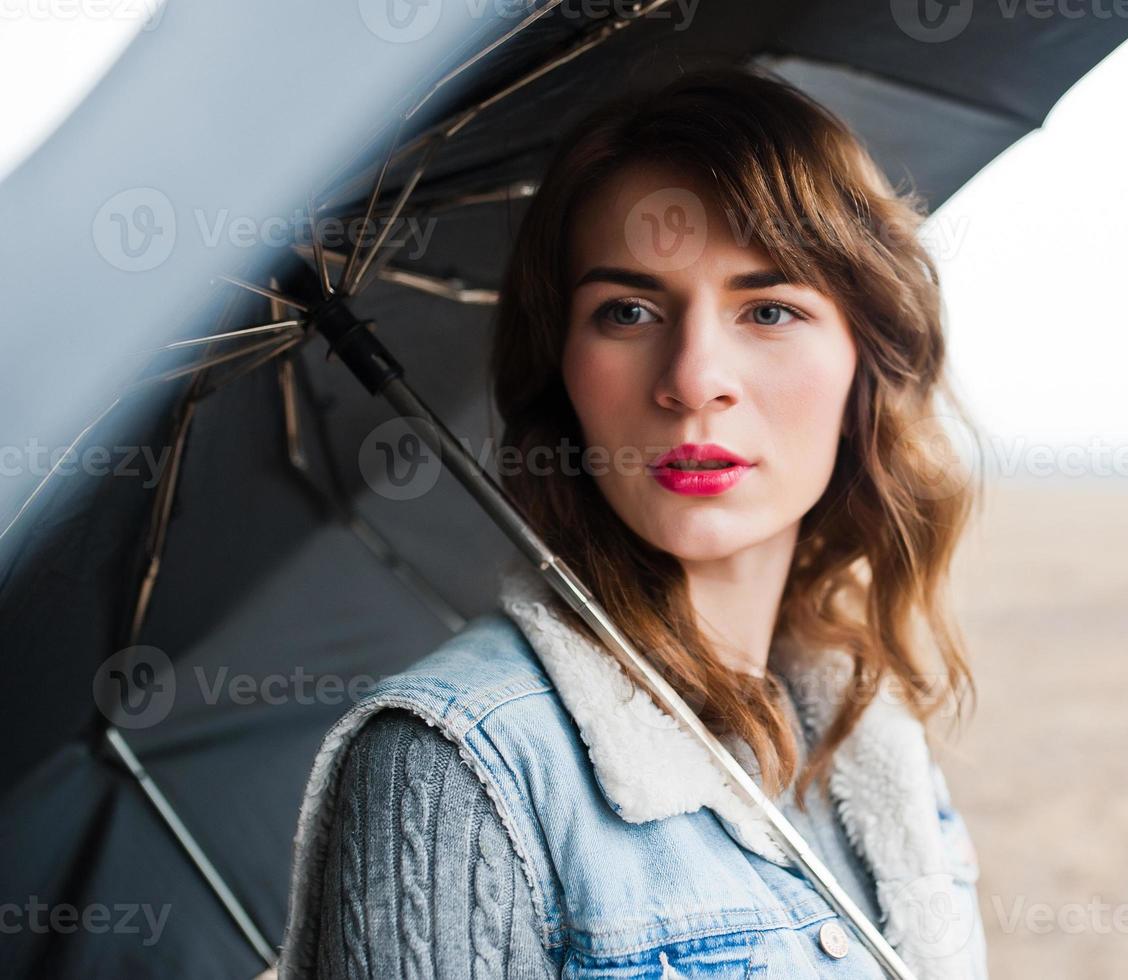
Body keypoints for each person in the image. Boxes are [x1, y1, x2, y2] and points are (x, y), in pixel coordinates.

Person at [278, 64, 989, 979]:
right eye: (628, 311)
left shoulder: (868, 734)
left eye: (768, 309)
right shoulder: (451, 770)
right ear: (561, 370)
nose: (693, 379)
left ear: (867, 359)